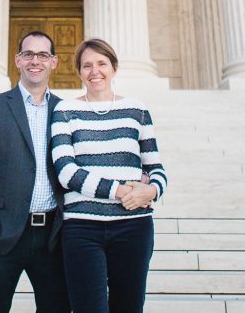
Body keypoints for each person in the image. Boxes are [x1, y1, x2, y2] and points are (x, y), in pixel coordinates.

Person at [51, 38, 168, 313]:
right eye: (87, 65)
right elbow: (67, 172)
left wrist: (150, 191)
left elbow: (156, 169)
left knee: (129, 307)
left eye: (102, 63)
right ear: (79, 72)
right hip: (82, 228)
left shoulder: (136, 110)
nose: (95, 71)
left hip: (133, 227)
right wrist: (121, 191)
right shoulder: (65, 111)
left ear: (114, 68)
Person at [0, 31, 72, 313]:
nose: (35, 61)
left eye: (43, 55)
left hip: (53, 236)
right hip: (2, 233)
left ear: (54, 62)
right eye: (28, 54)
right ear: (17, 60)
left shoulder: (67, 111)